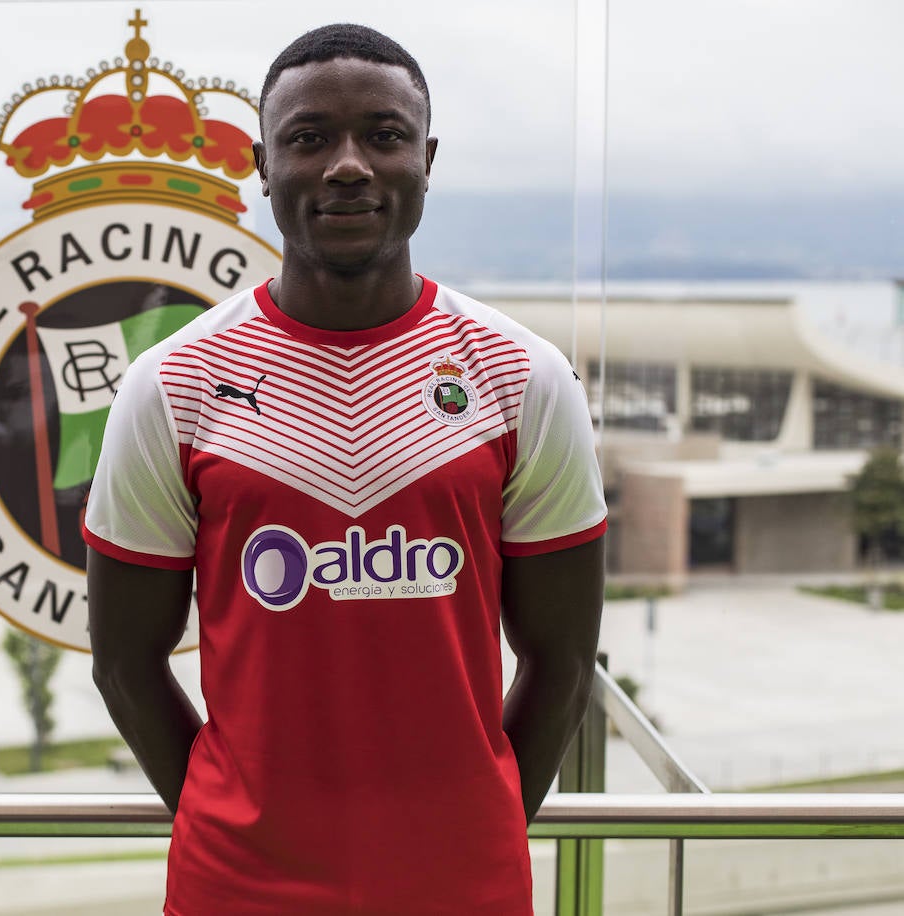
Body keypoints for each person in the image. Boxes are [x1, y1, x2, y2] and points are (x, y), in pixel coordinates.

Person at [84, 23, 606, 915]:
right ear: (261, 163)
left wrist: (480, 826)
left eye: (385, 134)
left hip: (465, 887)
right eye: (310, 137)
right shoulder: (171, 385)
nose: (349, 165)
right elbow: (125, 663)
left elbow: (561, 661)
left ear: (428, 159)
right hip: (235, 891)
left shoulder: (524, 376)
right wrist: (228, 820)